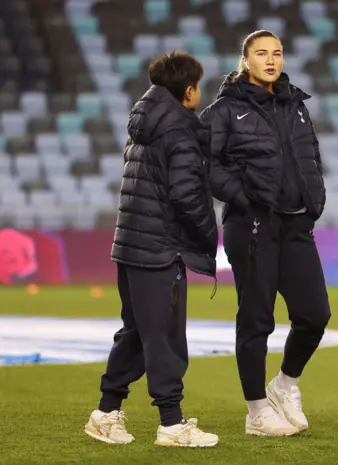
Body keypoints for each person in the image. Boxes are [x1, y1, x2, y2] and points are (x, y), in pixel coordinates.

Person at [84, 51, 220, 447]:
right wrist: (207, 234)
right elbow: (186, 194)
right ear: (190, 90)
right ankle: (172, 423)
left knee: (139, 333)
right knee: (163, 338)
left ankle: (106, 412)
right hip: (160, 248)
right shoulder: (178, 128)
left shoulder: (145, 121)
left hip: (131, 243)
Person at [199, 30, 330, 437]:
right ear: (246, 60)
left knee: (315, 315)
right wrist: (242, 196)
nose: (271, 60)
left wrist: (314, 201)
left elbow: (310, 155)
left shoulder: (297, 104)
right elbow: (207, 165)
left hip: (295, 223)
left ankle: (284, 386)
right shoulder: (222, 111)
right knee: (256, 319)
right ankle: (257, 411)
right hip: (251, 225)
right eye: (261, 53)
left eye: (277, 53)